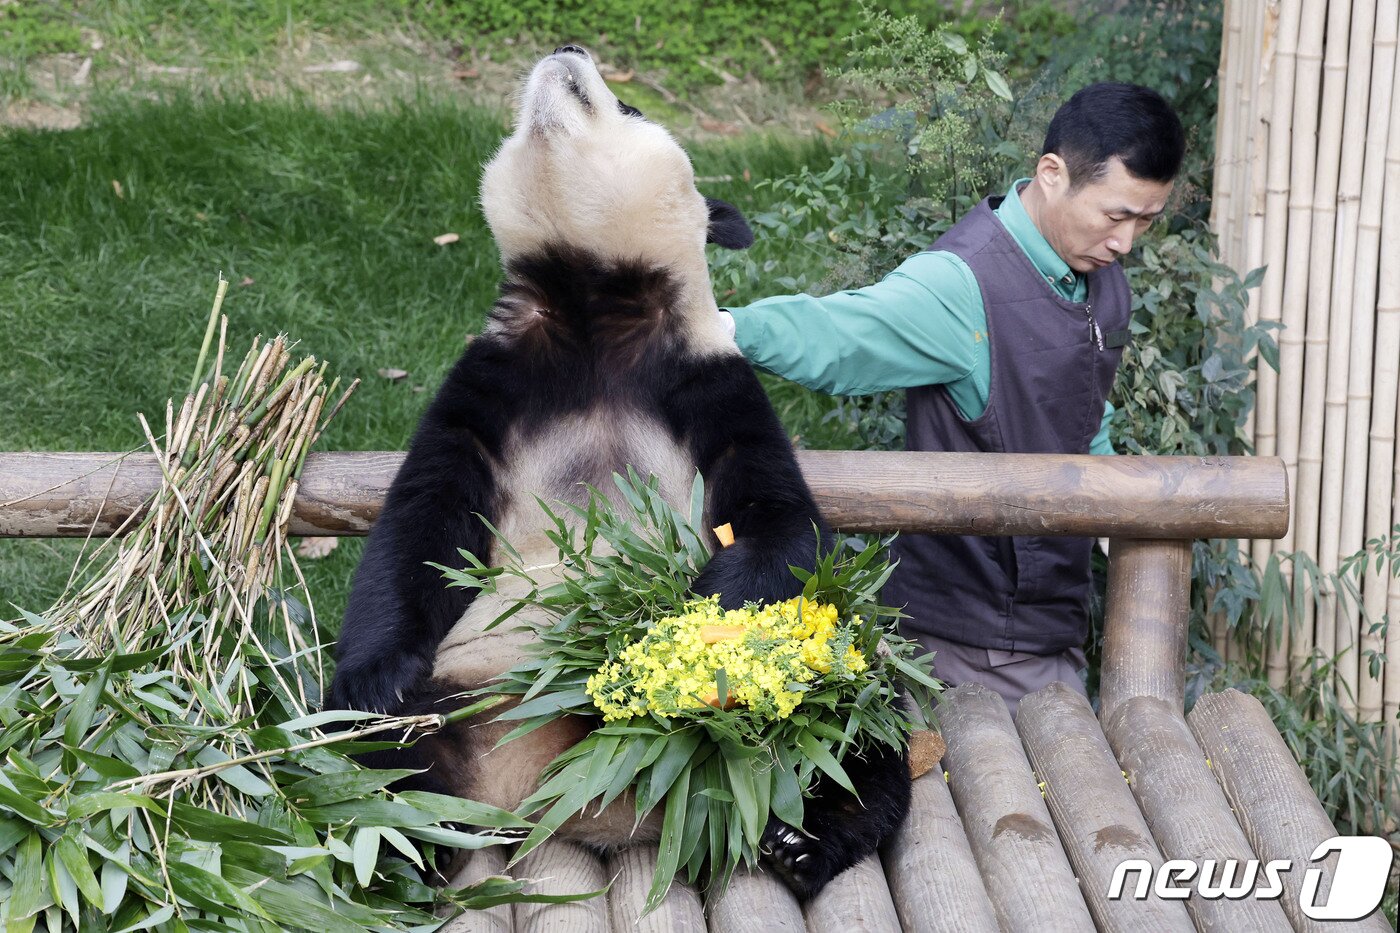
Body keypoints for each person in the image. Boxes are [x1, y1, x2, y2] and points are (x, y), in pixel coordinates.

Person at [719, 82, 1185, 718]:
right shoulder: (963, 285)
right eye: (1115, 216)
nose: (1128, 242)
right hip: (969, 646)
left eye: (1145, 221)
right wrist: (710, 330)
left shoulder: (1100, 281)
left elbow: (1083, 410)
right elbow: (837, 333)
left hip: (1054, 628)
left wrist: (1112, 515)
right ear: (1052, 174)